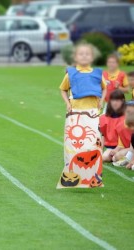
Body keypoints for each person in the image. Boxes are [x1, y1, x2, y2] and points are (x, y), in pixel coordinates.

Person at [57, 43, 107, 189]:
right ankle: (71, 175)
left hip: (92, 114)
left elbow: (104, 88)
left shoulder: (97, 73)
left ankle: (93, 178)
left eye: (87, 54)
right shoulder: (71, 73)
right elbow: (62, 89)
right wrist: (67, 103)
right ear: (76, 57)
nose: (84, 56)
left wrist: (101, 101)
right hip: (75, 115)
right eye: (81, 53)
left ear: (91, 57)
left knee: (93, 145)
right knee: (74, 145)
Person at [100, 90, 126, 162]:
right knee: (104, 157)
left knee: (115, 157)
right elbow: (103, 135)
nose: (115, 103)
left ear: (122, 101)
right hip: (111, 147)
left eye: (118, 100)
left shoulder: (126, 116)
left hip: (125, 146)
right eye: (113, 100)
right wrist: (100, 150)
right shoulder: (104, 117)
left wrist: (117, 149)